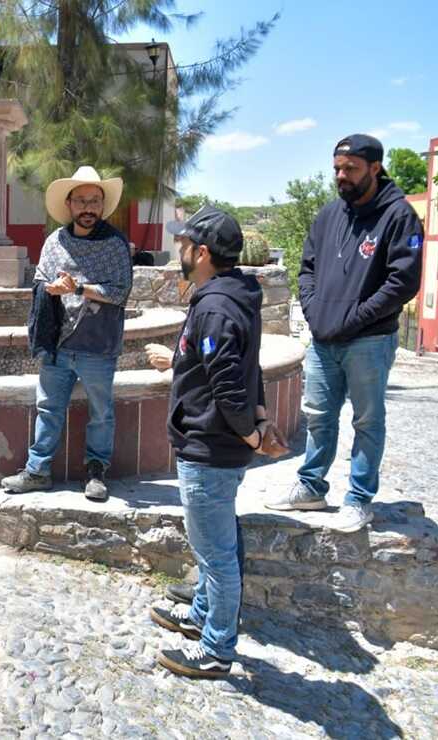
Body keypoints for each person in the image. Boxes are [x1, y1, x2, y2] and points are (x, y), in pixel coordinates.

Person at [143, 205, 289, 679]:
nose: (178, 251)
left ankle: (216, 649)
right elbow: (243, 367)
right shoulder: (235, 294)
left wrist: (251, 434)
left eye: (183, 245)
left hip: (210, 447)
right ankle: (203, 614)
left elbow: (228, 384)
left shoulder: (216, 306)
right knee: (217, 542)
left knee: (217, 555)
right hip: (218, 444)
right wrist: (260, 420)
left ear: (202, 253)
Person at [265, 134, 423, 532]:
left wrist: (354, 319)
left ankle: (358, 498)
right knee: (318, 416)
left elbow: (402, 283)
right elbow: (307, 269)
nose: (341, 175)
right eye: (337, 168)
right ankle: (311, 487)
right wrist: (315, 313)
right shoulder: (328, 215)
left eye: (350, 168)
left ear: (375, 168)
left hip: (369, 340)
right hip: (323, 340)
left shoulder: (399, 216)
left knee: (367, 421)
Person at [2, 166, 133, 501]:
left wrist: (79, 288)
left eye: (94, 201)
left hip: (98, 344)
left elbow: (120, 292)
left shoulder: (115, 245)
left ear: (102, 205)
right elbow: (41, 282)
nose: (88, 207)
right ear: (70, 204)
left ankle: (96, 472)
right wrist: (51, 288)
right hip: (58, 343)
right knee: (48, 408)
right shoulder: (54, 242)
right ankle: (37, 471)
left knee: (101, 413)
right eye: (81, 201)